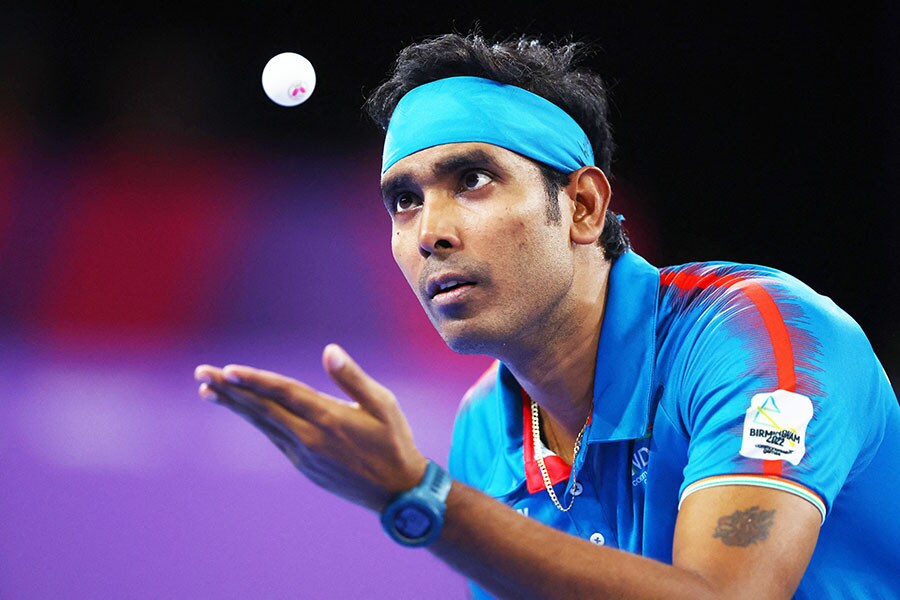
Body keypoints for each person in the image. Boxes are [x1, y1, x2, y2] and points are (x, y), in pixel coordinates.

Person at [194, 31, 900, 599]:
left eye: (472, 180)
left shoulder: (759, 337)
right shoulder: (484, 428)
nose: (428, 232)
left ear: (583, 206)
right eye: (404, 200)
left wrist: (421, 497)